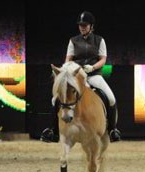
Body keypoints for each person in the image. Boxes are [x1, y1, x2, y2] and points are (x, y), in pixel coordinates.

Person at [41, 11, 121, 142]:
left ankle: (112, 130)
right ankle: (52, 130)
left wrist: (93, 67)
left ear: (91, 26)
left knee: (111, 98)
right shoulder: (73, 41)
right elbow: (68, 59)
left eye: (85, 25)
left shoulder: (100, 40)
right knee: (55, 100)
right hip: (76, 76)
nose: (82, 27)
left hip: (93, 75)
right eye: (80, 25)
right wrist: (64, 70)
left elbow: (103, 59)